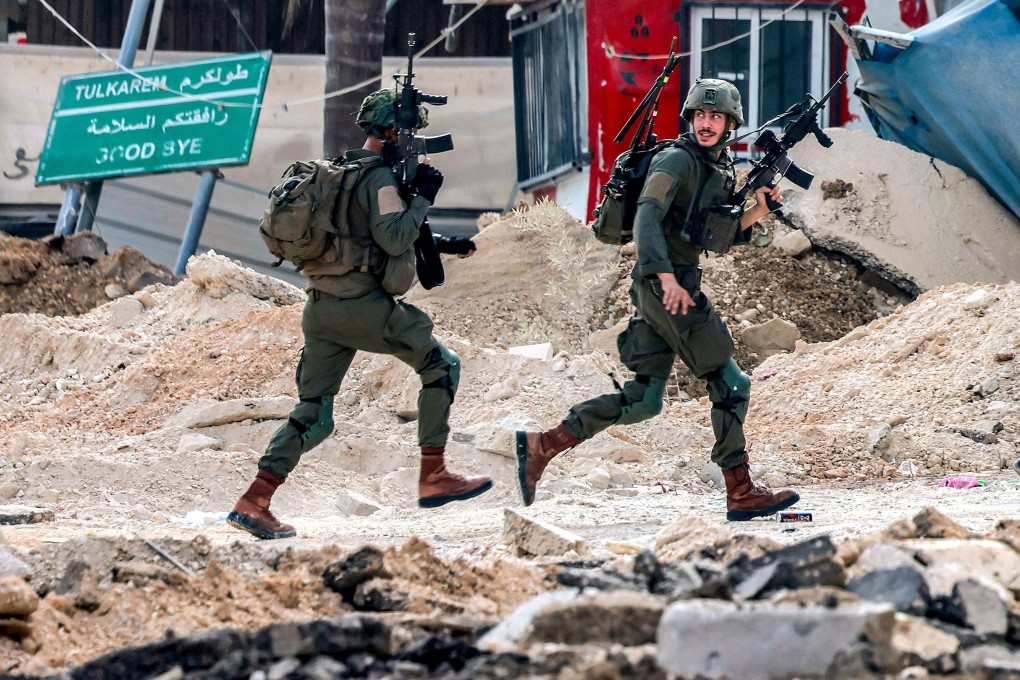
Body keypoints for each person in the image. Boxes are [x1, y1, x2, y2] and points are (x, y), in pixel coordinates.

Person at [515, 78, 800, 521]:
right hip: (667, 286)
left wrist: (760, 207)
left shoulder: (717, 166)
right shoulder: (676, 159)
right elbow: (647, 214)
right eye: (700, 115)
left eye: (716, 117)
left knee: (644, 400)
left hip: (664, 285)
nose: (706, 124)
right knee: (732, 385)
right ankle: (740, 491)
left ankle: (543, 444)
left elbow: (716, 236)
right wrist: (665, 276)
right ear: (691, 118)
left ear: (730, 124)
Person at [228, 89, 491, 540]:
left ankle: (254, 501)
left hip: (321, 308)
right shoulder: (381, 179)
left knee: (314, 415)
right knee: (441, 365)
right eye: (410, 133)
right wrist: (425, 197)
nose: (415, 142)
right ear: (391, 132)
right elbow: (393, 238)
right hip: (363, 307)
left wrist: (443, 243)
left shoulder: (340, 172)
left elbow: (359, 235)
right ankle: (434, 474)